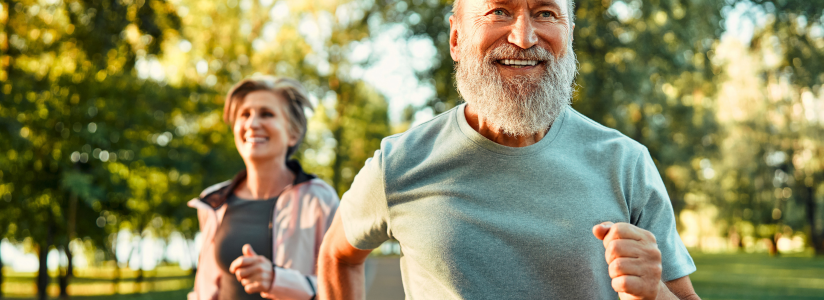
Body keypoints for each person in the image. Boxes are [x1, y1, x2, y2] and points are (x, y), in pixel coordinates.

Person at [318, 0, 700, 299]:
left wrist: (655, 294)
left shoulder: (625, 162)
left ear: (568, 34)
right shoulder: (399, 163)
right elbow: (337, 257)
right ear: (456, 39)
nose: (523, 37)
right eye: (499, 10)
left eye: (546, 13)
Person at [188, 76, 338, 300]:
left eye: (267, 114)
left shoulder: (320, 199)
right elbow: (205, 288)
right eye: (244, 114)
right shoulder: (214, 202)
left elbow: (340, 287)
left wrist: (277, 280)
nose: (252, 124)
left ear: (293, 133)